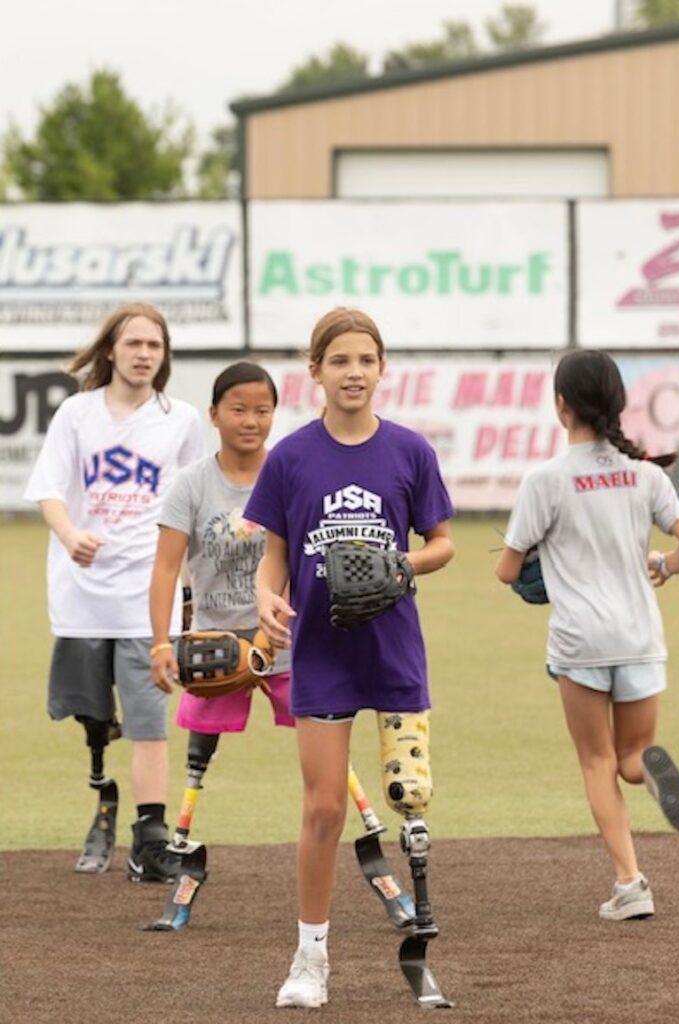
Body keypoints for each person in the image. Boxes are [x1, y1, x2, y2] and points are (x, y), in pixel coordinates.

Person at [243, 307, 455, 1009]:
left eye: (366, 360)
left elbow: (442, 541)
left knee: (409, 800)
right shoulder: (292, 458)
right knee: (325, 808)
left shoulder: (408, 451)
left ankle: (422, 935)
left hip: (393, 650)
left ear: (382, 368)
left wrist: (400, 563)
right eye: (340, 361)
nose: (354, 372)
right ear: (316, 372)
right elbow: (271, 557)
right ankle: (310, 959)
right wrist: (265, 599)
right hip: (321, 651)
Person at [495, 348, 679, 922]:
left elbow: (508, 570)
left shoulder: (546, 480)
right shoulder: (646, 475)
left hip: (580, 640)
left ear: (561, 406)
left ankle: (631, 883)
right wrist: (661, 566)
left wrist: (541, 569)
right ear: (618, 403)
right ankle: (651, 771)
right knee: (632, 755)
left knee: (595, 761)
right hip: (640, 634)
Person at [24, 302, 204, 882]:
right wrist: (71, 533)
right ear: (111, 351)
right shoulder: (77, 414)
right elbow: (49, 487)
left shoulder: (181, 420)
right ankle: (103, 792)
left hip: (146, 596)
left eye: (155, 345)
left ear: (165, 355)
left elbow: (195, 506)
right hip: (82, 595)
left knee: (150, 718)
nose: (145, 354)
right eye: (134, 344)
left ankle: (149, 837)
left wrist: (193, 587)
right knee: (93, 715)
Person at [149, 362, 293, 830]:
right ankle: (181, 838)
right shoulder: (192, 483)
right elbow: (166, 567)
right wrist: (161, 643)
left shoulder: (289, 475)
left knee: (324, 734)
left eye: (262, 410)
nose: (251, 421)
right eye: (238, 409)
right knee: (199, 751)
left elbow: (301, 557)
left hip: (286, 641)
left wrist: (278, 634)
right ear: (213, 414)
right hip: (213, 644)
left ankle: (356, 826)